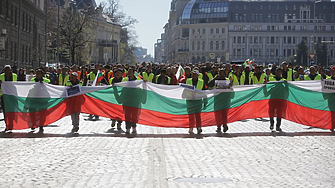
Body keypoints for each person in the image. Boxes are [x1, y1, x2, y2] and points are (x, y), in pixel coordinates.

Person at [207, 69, 231, 133]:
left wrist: (230, 86)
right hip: (217, 99)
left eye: (223, 73)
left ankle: (224, 125)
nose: (221, 75)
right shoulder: (216, 80)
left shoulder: (227, 80)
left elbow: (230, 89)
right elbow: (209, 85)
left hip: (225, 99)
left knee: (224, 114)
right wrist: (215, 79)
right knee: (217, 114)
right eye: (220, 73)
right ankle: (218, 127)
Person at [186, 70, 205, 134]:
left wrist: (205, 100)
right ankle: (191, 128)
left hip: (198, 100)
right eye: (193, 74)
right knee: (191, 115)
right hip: (190, 100)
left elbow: (204, 91)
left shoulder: (201, 82)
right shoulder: (188, 80)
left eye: (195, 74)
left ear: (198, 75)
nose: (193, 75)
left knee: (198, 115)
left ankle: (199, 127)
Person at [0, 65, 18, 132]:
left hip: (12, 95)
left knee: (12, 110)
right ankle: (7, 125)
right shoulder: (1, 76)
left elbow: (17, 85)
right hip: (4, 96)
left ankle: (11, 123)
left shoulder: (15, 76)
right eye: (5, 70)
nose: (7, 71)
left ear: (11, 70)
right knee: (5, 111)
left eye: (8, 70)